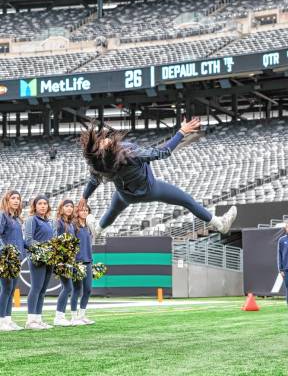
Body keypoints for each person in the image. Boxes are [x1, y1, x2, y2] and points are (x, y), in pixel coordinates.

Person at [78, 118, 237, 240]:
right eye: (101, 143)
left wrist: (85, 197)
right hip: (150, 190)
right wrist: (181, 132)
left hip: (125, 195)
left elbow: (93, 180)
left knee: (112, 212)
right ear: (107, 150)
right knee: (187, 201)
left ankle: (97, 230)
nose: (102, 140)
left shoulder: (100, 166)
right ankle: (220, 224)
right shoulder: (129, 153)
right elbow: (163, 152)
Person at [24, 195, 56, 330]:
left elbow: (54, 240)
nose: (43, 206)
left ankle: (38, 319)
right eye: (40, 203)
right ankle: (30, 320)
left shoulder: (50, 222)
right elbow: (29, 239)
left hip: (49, 258)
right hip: (37, 258)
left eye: (45, 203)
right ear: (35, 206)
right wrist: (43, 248)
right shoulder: (32, 219)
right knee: (36, 288)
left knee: (43, 290)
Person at [0, 190, 25, 331]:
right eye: (13, 198)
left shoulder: (16, 219)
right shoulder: (2, 216)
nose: (16, 200)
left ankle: (7, 320)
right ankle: (1, 321)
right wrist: (5, 252)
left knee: (10, 290)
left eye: (18, 198)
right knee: (6, 289)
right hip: (6, 258)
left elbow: (19, 240)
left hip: (17, 258)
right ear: (7, 200)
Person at [71, 204, 94, 326]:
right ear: (77, 211)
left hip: (88, 261)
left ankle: (82, 315)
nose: (84, 212)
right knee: (76, 289)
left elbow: (89, 245)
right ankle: (74, 317)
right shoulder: (74, 226)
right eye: (82, 210)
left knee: (88, 290)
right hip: (77, 262)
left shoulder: (89, 227)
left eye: (86, 210)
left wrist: (92, 260)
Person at [54, 199, 76, 327]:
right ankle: (59, 316)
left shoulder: (71, 223)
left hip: (70, 258)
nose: (69, 208)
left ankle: (61, 315)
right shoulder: (58, 223)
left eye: (71, 206)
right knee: (68, 287)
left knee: (66, 287)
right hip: (62, 259)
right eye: (66, 206)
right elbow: (55, 240)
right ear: (61, 208)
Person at [277, 223, 288, 304]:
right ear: (286, 228)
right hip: (286, 269)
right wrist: (280, 269)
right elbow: (279, 255)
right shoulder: (282, 240)